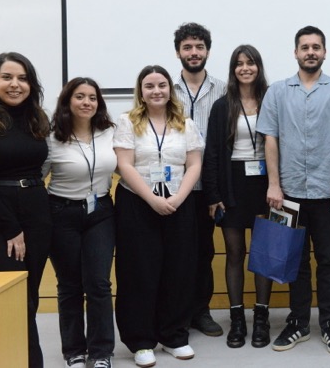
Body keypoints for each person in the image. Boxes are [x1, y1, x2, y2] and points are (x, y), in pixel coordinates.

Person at [256, 25, 330, 356]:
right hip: (289, 192)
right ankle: (299, 323)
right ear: (296, 52)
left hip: (328, 192)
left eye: (316, 47)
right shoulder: (277, 92)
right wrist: (274, 184)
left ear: (324, 52)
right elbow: (270, 138)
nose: (311, 52)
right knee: (296, 261)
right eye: (305, 47)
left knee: (328, 259)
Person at [113, 65, 204, 367]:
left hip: (179, 201)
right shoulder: (127, 122)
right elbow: (124, 164)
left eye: (162, 85)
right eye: (149, 86)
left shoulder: (185, 123)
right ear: (141, 91)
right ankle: (141, 341)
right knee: (139, 271)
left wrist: (177, 198)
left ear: (170, 89)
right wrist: (151, 199)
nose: (156, 91)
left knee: (179, 269)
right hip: (137, 202)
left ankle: (174, 336)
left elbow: (194, 164)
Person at [0, 52, 52, 367]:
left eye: (23, 78)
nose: (15, 84)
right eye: (7, 77)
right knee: (6, 303)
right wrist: (10, 227)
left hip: (36, 216)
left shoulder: (36, 120)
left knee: (29, 300)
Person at [203, 44, 273, 349]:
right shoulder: (223, 105)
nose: (245, 68)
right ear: (233, 69)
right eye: (239, 63)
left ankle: (261, 318)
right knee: (234, 253)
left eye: (251, 63)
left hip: (266, 184)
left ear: (258, 67)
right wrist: (213, 194)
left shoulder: (272, 99)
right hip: (231, 184)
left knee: (263, 254)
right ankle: (237, 319)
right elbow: (212, 152)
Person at [44, 78, 116, 368]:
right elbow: (37, 178)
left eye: (92, 97)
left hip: (101, 212)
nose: (87, 102)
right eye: (80, 96)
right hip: (62, 213)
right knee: (70, 285)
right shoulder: (51, 138)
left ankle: (101, 353)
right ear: (67, 101)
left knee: (98, 283)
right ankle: (74, 351)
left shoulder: (109, 132)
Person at [173, 22, 227, 337]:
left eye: (199, 47)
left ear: (207, 51)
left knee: (204, 251)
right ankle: (178, 312)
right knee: (178, 253)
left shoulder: (224, 89)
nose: (194, 53)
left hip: (209, 187)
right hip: (173, 188)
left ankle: (201, 312)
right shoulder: (165, 89)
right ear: (178, 52)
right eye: (187, 47)